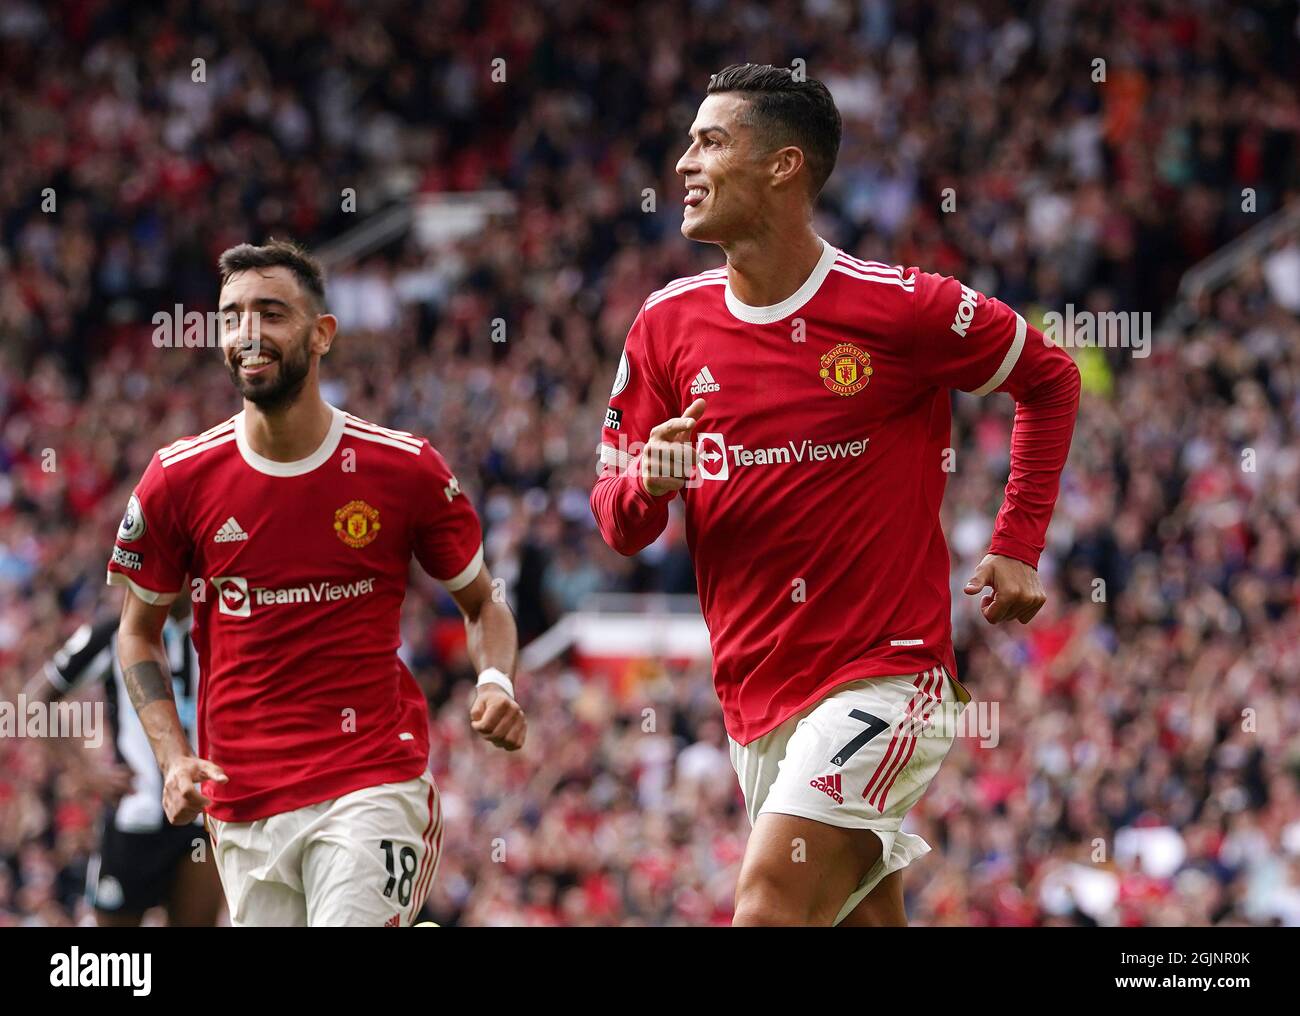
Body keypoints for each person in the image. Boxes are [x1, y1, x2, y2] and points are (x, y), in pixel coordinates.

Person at [590, 64, 1080, 926]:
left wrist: (1015, 542)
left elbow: (1050, 377)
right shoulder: (665, 325)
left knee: (769, 902)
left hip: (885, 676)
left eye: (709, 141)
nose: (682, 164)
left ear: (783, 165)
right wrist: (645, 484)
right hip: (753, 697)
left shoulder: (902, 310)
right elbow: (616, 520)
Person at [106, 240, 526, 926]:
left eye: (271, 314)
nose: (249, 334)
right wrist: (174, 757)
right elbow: (137, 633)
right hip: (242, 804)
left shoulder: (402, 469)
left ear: (321, 333)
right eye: (233, 316)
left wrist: (496, 681)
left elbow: (485, 603)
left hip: (372, 781)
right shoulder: (177, 481)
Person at [28, 597, 223, 926]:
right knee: (114, 967)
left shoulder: (220, 628)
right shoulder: (113, 631)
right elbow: (36, 703)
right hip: (135, 817)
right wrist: (87, 772)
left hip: (201, 817)